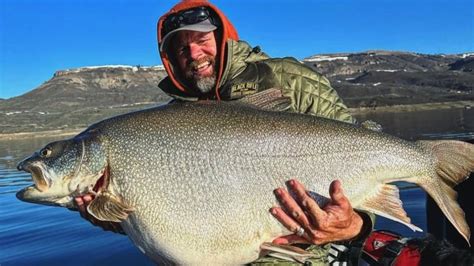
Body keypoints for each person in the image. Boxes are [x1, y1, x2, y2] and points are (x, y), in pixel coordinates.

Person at [75, 0, 374, 264]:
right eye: (180, 47)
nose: (193, 52)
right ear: (171, 60)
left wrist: (356, 225)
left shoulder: (293, 81)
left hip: (306, 254)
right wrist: (112, 216)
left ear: (223, 36)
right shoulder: (169, 125)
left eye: (202, 39)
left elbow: (363, 161)